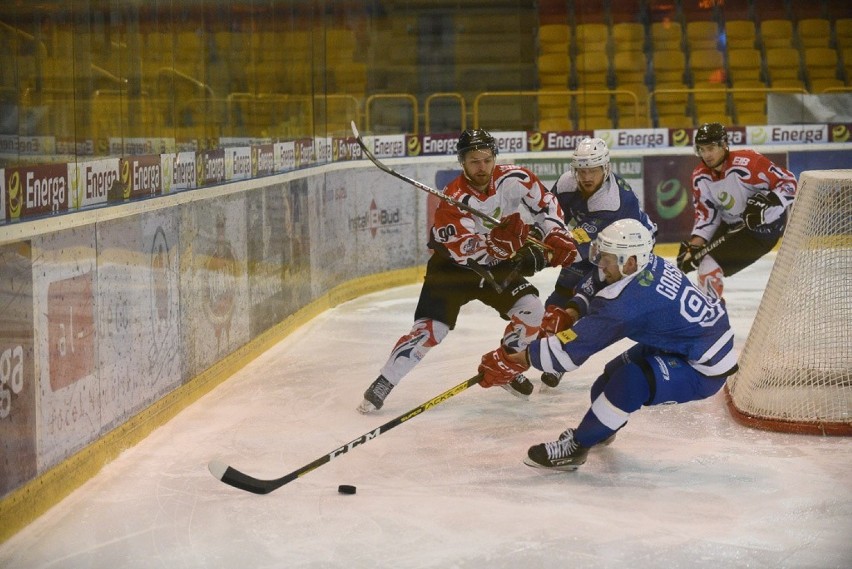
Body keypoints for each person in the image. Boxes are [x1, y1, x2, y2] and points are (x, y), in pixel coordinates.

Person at [476, 219, 738, 470]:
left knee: (630, 381)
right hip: (686, 342)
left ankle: (576, 448)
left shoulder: (627, 304)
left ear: (631, 261)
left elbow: (568, 354)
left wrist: (513, 359)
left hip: (704, 367)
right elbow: (596, 282)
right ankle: (599, 431)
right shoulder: (645, 265)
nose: (600, 264)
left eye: (607, 258)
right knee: (607, 381)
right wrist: (571, 313)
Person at [357, 128, 578, 414]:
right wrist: (498, 248)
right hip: (452, 269)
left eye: (486, 159)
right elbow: (463, 251)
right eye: (474, 161)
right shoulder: (453, 198)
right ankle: (385, 381)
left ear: (494, 158)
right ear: (463, 162)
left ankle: (506, 365)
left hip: (493, 266)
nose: (482, 167)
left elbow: (545, 204)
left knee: (531, 310)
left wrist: (556, 233)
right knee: (431, 330)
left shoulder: (516, 179)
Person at [539, 137, 657, 388]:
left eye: (592, 169)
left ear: (606, 168)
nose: (586, 176)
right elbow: (548, 216)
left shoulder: (613, 201)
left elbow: (575, 248)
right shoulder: (566, 183)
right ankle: (556, 351)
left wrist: (539, 256)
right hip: (598, 246)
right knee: (562, 295)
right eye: (581, 170)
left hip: (630, 253)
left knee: (600, 305)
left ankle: (657, 347)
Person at [677, 122, 797, 300]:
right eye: (701, 149)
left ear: (724, 145)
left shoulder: (749, 163)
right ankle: (713, 311)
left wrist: (767, 204)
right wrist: (695, 244)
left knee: (708, 267)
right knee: (698, 260)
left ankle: (714, 320)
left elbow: (789, 183)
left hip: (763, 231)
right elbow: (707, 215)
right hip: (732, 224)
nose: (706, 155)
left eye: (710, 148)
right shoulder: (700, 176)